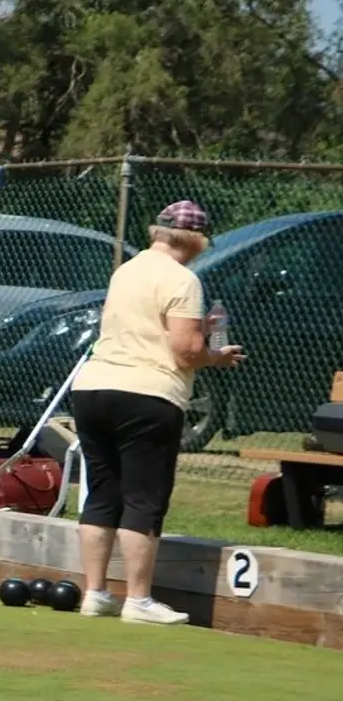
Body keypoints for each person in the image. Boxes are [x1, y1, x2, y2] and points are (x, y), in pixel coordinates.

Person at [72, 201, 244, 625]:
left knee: (102, 491)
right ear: (194, 240)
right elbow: (185, 351)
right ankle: (139, 600)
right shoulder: (183, 280)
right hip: (147, 393)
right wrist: (216, 356)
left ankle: (95, 593)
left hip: (93, 387)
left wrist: (198, 334)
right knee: (143, 496)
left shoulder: (125, 271)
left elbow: (149, 329)